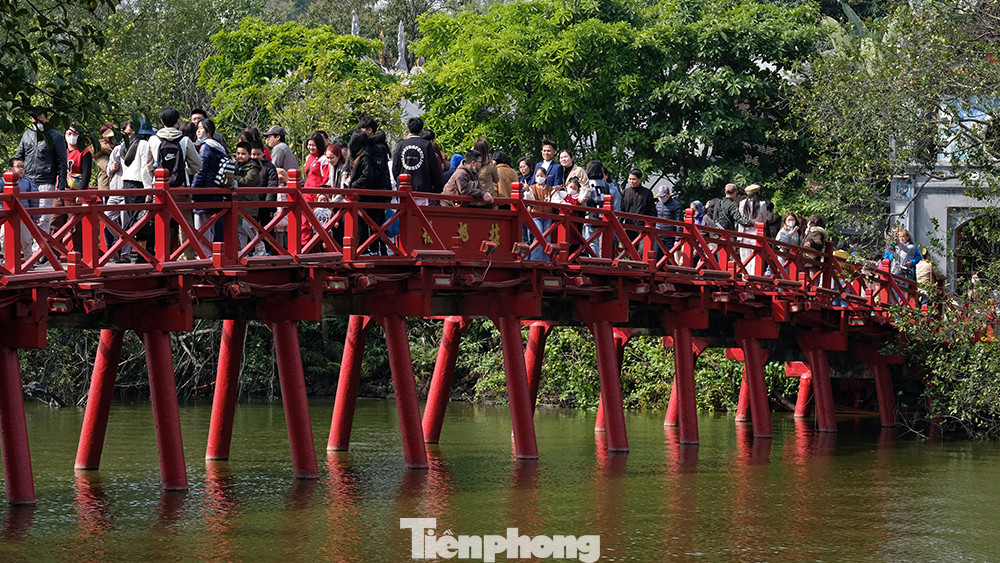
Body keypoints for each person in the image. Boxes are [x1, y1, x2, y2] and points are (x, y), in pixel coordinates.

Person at [13, 107, 68, 235]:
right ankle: (30, 252)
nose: (35, 120)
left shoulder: (56, 136)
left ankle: (39, 253)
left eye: (39, 116)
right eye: (33, 117)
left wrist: (61, 185)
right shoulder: (27, 134)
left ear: (47, 118)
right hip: (27, 181)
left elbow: (62, 162)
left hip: (46, 181)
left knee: (43, 218)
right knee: (25, 216)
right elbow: (18, 157)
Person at [190, 118, 228, 254]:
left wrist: (193, 192)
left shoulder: (206, 147)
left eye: (201, 128)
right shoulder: (219, 147)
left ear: (208, 131)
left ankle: (204, 255)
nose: (198, 131)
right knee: (210, 226)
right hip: (215, 190)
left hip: (204, 193)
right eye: (197, 128)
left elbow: (201, 170)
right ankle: (212, 254)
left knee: (201, 227)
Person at [391, 117, 444, 203]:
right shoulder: (426, 145)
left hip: (403, 189)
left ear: (408, 130)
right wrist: (438, 189)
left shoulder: (401, 144)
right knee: (419, 215)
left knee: (404, 214)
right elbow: (433, 168)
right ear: (421, 130)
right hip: (422, 189)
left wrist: (399, 181)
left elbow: (395, 167)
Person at [1, 159, 40, 262]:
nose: (22, 169)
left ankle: (30, 261)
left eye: (23, 166)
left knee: (26, 240)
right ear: (10, 168)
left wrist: (34, 216)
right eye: (18, 166)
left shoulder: (28, 182)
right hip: (7, 216)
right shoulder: (2, 182)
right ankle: (7, 260)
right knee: (4, 239)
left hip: (23, 216)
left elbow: (34, 200)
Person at [522, 166, 555, 261]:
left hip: (548, 215)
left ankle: (545, 260)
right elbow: (530, 200)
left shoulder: (550, 189)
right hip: (536, 215)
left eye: (541, 175)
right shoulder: (532, 188)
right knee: (539, 236)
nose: (539, 177)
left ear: (546, 177)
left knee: (547, 239)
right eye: (537, 175)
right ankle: (534, 259)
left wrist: (556, 191)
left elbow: (555, 200)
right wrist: (527, 191)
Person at [655, 185, 684, 258]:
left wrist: (677, 239)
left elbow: (679, 223)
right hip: (658, 236)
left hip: (670, 237)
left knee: (671, 261)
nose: (661, 198)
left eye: (663, 196)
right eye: (660, 196)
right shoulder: (658, 204)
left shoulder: (676, 205)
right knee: (656, 258)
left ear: (668, 195)